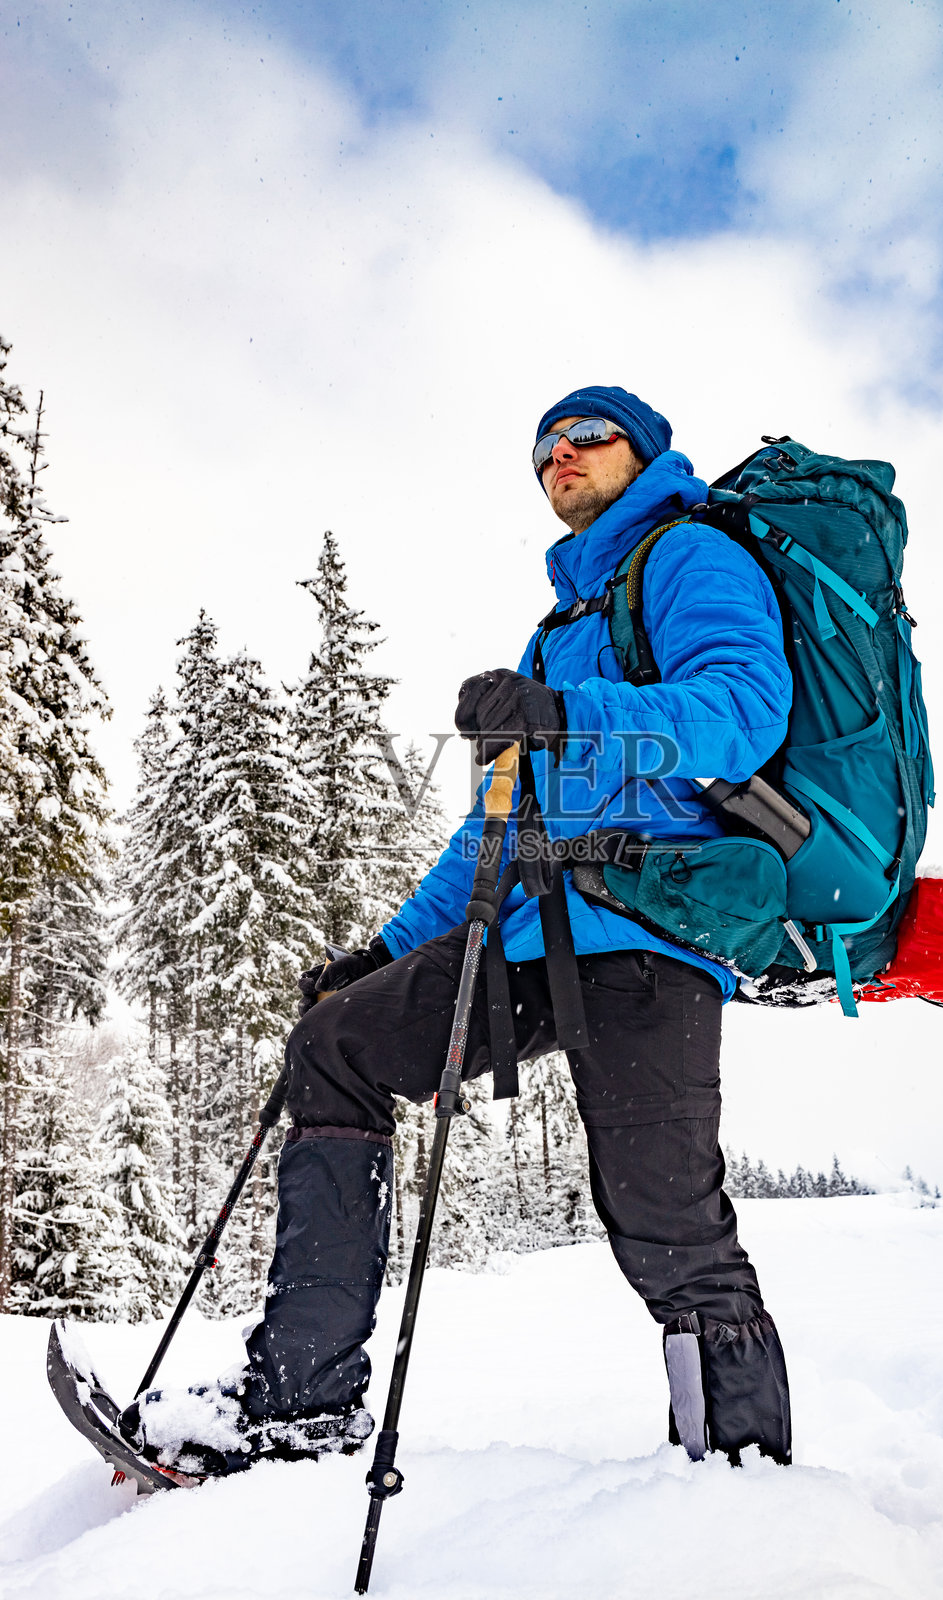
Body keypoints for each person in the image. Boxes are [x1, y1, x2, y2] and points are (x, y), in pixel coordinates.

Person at [123, 385, 794, 1478]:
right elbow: (495, 819)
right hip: (532, 934)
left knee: (661, 1211)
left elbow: (740, 707)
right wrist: (386, 952)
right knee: (334, 1045)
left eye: (587, 437)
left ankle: (739, 1471)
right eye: (543, 448)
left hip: (654, 935)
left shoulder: (688, 557)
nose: (560, 456)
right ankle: (299, 1403)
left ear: (645, 451)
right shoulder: (559, 627)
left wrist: (571, 715)